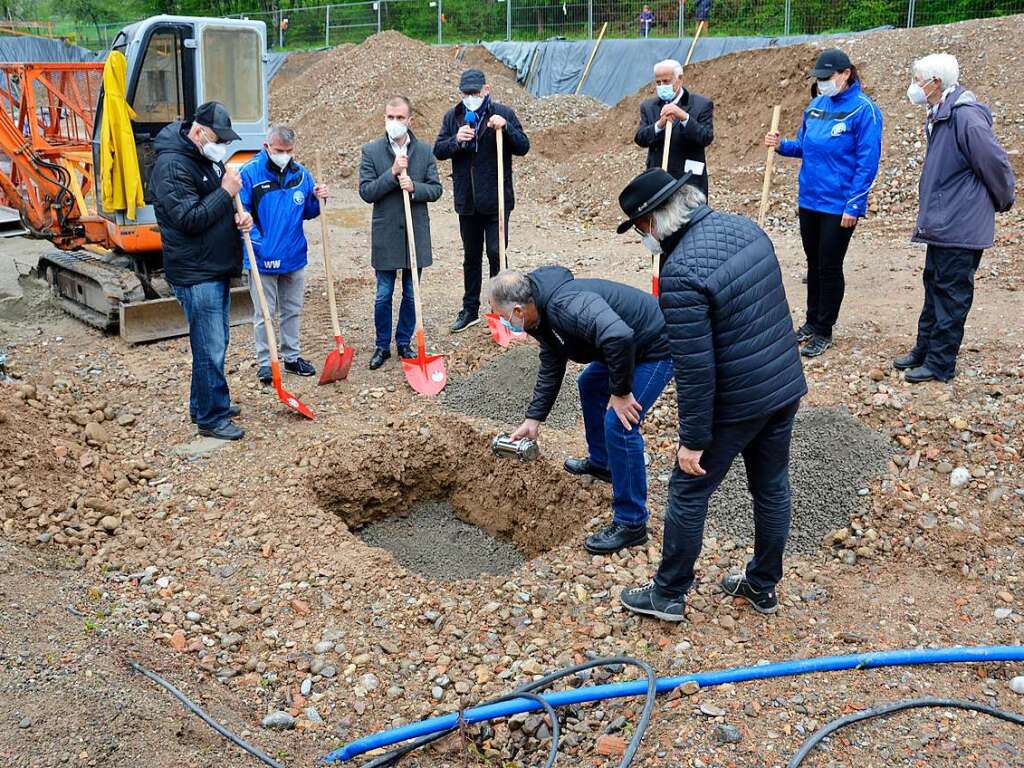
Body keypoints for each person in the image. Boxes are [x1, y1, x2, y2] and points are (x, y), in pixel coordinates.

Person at [615, 168, 807, 622]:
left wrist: (694, 440)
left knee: (687, 489)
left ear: (654, 222)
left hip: (737, 401)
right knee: (772, 486)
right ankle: (762, 585)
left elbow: (695, 368)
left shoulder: (681, 274)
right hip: (783, 384)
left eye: (641, 229)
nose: (644, 237)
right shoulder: (745, 227)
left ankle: (668, 593)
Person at [493, 267, 672, 555]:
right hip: (622, 348)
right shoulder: (539, 318)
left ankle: (631, 523)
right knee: (589, 382)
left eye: (503, 317)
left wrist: (622, 392)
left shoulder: (566, 306)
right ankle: (603, 464)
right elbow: (552, 364)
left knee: (619, 423)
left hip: (654, 345)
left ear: (518, 310)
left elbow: (619, 336)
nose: (504, 323)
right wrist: (534, 419)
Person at [895, 53, 1015, 383]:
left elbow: (995, 164)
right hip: (944, 225)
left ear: (935, 83)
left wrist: (1003, 200)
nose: (915, 86)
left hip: (959, 225)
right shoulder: (941, 114)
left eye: (919, 80)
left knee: (950, 296)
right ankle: (924, 351)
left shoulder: (966, 117)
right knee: (934, 287)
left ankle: (940, 363)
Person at [765, 48, 883, 358]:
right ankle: (811, 321)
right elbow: (804, 147)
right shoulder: (815, 107)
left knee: (829, 266)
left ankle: (824, 329)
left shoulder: (864, 110)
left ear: (845, 74)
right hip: (810, 200)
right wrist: (781, 146)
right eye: (818, 79)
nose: (822, 84)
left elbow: (867, 163)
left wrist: (854, 205)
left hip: (839, 205)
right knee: (813, 263)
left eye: (827, 78)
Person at [150, 101, 253, 441]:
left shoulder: (204, 159)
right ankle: (212, 417)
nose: (221, 146)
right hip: (197, 272)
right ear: (196, 132)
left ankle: (203, 404)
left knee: (212, 341)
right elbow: (189, 218)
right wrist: (225, 193)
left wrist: (238, 215)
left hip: (213, 266)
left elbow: (213, 209)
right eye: (216, 138)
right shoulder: (172, 166)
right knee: (211, 345)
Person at [434, 68, 530, 334]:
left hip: (497, 200)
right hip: (467, 201)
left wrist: (506, 128)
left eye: (475, 92)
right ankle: (469, 309)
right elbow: (438, 150)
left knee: (496, 252)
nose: (471, 97)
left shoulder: (503, 113)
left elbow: (523, 146)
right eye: (466, 93)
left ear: (486, 89)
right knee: (471, 256)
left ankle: (503, 307)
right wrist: (456, 141)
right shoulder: (453, 117)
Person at [360, 96, 444, 370]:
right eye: (390, 117)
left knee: (411, 293)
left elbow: (436, 189)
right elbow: (366, 192)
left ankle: (404, 341)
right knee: (383, 294)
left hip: (414, 233)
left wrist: (414, 187)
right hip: (386, 235)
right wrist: (392, 173)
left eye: (399, 118)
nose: (394, 123)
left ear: (410, 120)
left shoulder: (424, 151)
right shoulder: (371, 152)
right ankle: (382, 345)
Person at [239, 124, 327, 385]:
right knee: (264, 313)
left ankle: (291, 357)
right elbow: (241, 212)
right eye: (279, 150)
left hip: (294, 256)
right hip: (261, 256)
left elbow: (309, 211)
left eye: (288, 151)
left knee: (292, 310)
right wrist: (245, 225)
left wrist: (319, 199)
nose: (284, 155)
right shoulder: (250, 174)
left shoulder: (301, 175)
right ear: (267, 147)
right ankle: (266, 363)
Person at [634, 59, 713, 197]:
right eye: (658, 82)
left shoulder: (701, 104)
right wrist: (659, 125)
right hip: (659, 179)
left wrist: (684, 117)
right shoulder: (648, 106)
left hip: (690, 181)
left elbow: (705, 137)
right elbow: (640, 138)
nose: (661, 86)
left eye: (666, 81)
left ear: (679, 79)